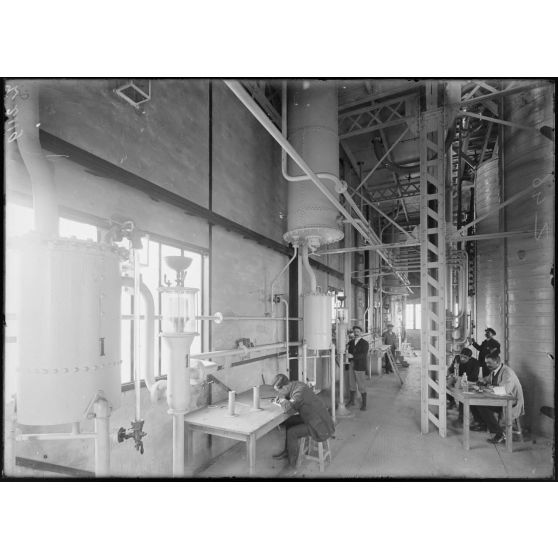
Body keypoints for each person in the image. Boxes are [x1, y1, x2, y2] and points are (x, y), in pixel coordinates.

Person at [271, 374, 335, 472]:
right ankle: (288, 451)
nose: (279, 393)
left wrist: (282, 401)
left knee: (292, 432)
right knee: (289, 421)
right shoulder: (296, 384)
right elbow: (292, 404)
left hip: (318, 424)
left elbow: (289, 409)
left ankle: (292, 466)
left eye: (279, 391)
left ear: (285, 387)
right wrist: (284, 399)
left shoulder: (298, 393)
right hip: (313, 417)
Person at [470, 353, 525, 444]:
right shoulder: (494, 370)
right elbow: (487, 379)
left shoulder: (507, 372)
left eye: (489, 363)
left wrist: (488, 388)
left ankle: (500, 433)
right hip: (500, 400)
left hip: (511, 402)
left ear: (497, 362)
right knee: (474, 402)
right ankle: (483, 425)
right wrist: (482, 381)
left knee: (482, 405)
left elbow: (504, 390)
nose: (487, 365)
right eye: (486, 363)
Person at [446, 347, 480, 425]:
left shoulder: (475, 363)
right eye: (461, 356)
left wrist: (460, 378)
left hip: (470, 382)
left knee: (463, 397)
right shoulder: (457, 358)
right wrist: (448, 376)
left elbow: (473, 377)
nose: (462, 359)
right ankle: (451, 402)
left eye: (465, 357)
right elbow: (450, 369)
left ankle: (461, 419)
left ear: (470, 358)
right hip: (458, 380)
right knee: (446, 386)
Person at [346, 325, 370, 410]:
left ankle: (364, 404)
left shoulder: (365, 343)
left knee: (361, 385)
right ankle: (352, 401)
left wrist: (352, 356)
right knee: (351, 383)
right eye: (355, 332)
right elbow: (346, 349)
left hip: (360, 365)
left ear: (361, 333)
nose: (356, 333)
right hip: (351, 364)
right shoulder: (351, 342)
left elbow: (363, 355)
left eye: (358, 332)